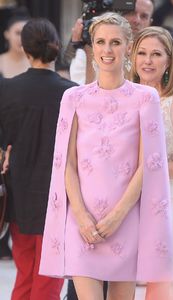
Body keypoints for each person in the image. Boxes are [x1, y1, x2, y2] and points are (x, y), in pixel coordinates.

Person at [40, 12, 173, 300]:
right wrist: (80, 215)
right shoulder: (73, 98)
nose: (107, 49)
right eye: (100, 42)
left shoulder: (144, 98)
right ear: (92, 47)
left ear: (128, 47)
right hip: (81, 221)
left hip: (125, 221)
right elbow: (67, 162)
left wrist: (117, 216)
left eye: (115, 42)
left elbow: (148, 164)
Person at [0, 18, 77, 300]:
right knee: (49, 276)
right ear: (55, 46)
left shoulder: (6, 90)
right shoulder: (71, 91)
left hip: (19, 191)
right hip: (58, 192)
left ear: (24, 48)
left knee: (24, 269)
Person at [130, 26, 173, 299]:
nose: (148, 60)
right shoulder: (124, 98)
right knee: (122, 275)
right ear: (133, 58)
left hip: (164, 198)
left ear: (169, 60)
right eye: (142, 53)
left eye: (156, 54)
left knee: (160, 280)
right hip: (125, 199)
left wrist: (144, 174)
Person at [66, 0, 155, 85]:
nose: (137, 20)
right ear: (118, 13)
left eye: (144, 16)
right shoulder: (88, 51)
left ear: (150, 22)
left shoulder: (155, 55)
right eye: (131, 13)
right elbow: (80, 94)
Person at [0, 13, 30, 261]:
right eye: (18, 32)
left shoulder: (36, 64)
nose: (21, 39)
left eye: (26, 34)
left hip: (25, 137)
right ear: (7, 34)